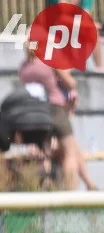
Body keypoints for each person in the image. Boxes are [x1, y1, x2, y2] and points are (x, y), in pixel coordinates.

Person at [19, 40, 96, 191]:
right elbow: (70, 83)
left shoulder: (24, 67)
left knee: (45, 151)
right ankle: (70, 192)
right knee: (70, 153)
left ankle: (86, 184)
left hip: (34, 112)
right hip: (55, 109)